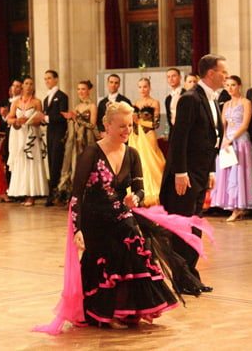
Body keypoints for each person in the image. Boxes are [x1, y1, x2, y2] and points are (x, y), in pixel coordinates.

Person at [68, 102, 179, 329]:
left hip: (121, 214)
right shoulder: (91, 153)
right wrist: (77, 229)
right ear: (107, 125)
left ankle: (126, 310)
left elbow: (139, 189)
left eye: (129, 125)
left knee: (133, 246)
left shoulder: (132, 154)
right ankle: (107, 312)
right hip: (95, 219)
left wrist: (135, 198)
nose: (127, 130)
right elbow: (76, 194)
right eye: (121, 126)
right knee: (107, 259)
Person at [160, 54, 226, 294]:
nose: (226, 76)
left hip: (200, 172)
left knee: (195, 225)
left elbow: (211, 138)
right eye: (223, 72)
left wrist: (211, 169)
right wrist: (180, 172)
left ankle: (190, 276)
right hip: (185, 174)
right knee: (183, 226)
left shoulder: (211, 98)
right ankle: (182, 280)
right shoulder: (190, 98)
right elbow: (179, 138)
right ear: (210, 73)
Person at [210, 75, 252, 221]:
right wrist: (224, 138)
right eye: (228, 85)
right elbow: (222, 124)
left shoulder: (246, 102)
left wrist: (232, 138)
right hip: (227, 142)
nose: (230, 88)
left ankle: (239, 208)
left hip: (240, 141)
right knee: (227, 173)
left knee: (239, 174)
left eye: (233, 85)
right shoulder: (226, 104)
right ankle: (232, 206)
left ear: (239, 86)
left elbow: (245, 125)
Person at [56, 80, 100, 204]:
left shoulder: (92, 106)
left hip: (87, 139)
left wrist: (76, 118)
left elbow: (92, 125)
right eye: (79, 89)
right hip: (76, 139)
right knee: (74, 164)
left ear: (89, 90)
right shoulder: (77, 106)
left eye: (83, 89)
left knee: (87, 165)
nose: (80, 91)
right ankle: (73, 193)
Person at [7, 77, 48, 206]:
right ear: (22, 86)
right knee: (20, 162)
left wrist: (31, 121)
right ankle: (22, 192)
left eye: (31, 84)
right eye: (26, 84)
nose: (29, 86)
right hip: (20, 135)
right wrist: (16, 121)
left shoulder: (37, 102)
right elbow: (9, 119)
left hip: (32, 135)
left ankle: (32, 195)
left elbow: (40, 119)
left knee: (32, 162)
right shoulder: (16, 102)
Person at [128, 77, 165, 206]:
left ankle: (154, 194)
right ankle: (139, 193)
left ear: (150, 88)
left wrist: (139, 121)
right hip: (136, 137)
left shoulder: (154, 103)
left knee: (151, 162)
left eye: (145, 86)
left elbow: (156, 124)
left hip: (148, 136)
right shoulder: (135, 103)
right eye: (140, 87)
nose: (142, 89)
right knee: (138, 163)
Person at [42, 70, 69, 206]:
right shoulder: (46, 99)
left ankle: (56, 192)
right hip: (50, 132)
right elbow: (45, 116)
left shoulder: (62, 96)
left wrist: (46, 118)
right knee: (51, 160)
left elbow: (62, 117)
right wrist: (42, 119)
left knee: (57, 162)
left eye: (49, 78)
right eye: (45, 79)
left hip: (59, 132)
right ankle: (52, 191)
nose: (47, 81)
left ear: (56, 79)